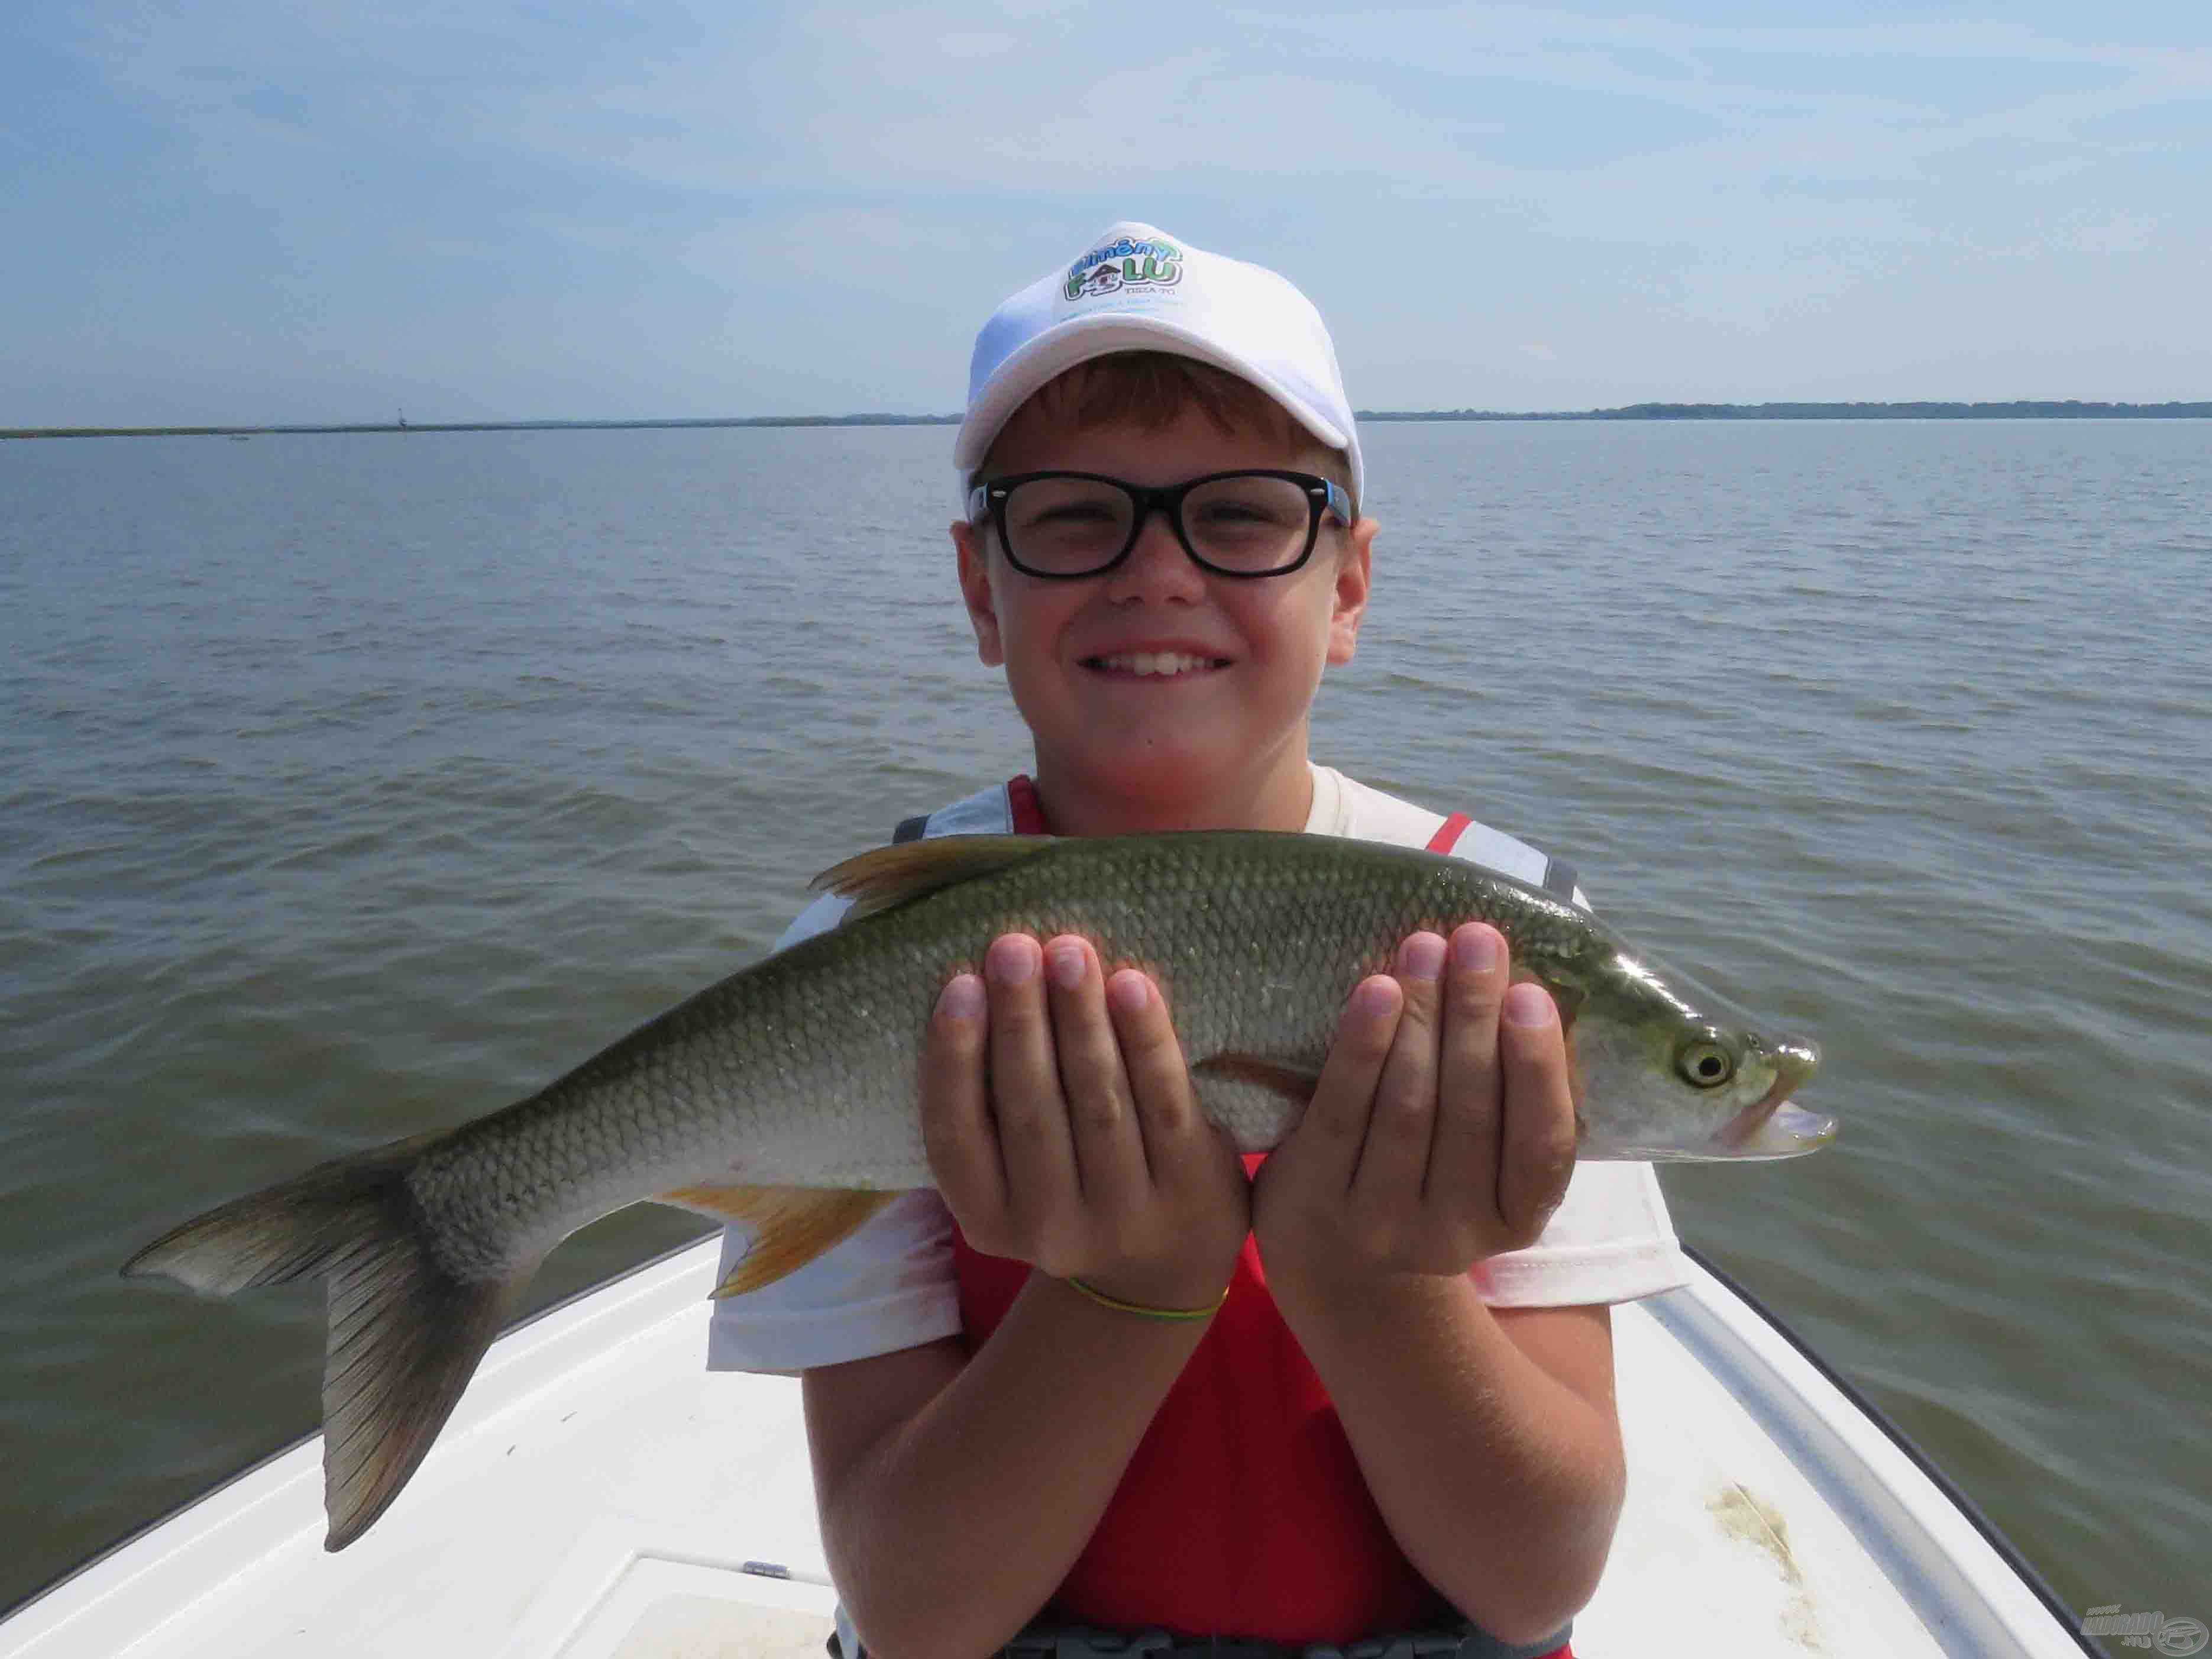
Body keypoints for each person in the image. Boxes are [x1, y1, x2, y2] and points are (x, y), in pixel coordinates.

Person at [707, 221, 1687, 1659]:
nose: (1156, 572)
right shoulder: (879, 940)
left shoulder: (1499, 938)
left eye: (1239, 515)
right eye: (1069, 515)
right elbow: (914, 1611)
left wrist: (1361, 1282)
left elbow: (1536, 1581)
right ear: (983, 588)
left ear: (1345, 583)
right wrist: (1138, 1281)